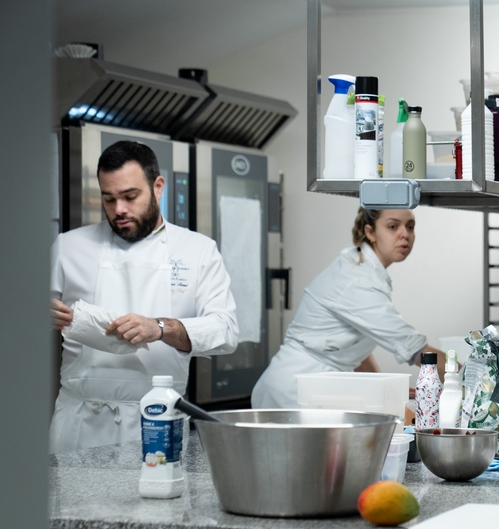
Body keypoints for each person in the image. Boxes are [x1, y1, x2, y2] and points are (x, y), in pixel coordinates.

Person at [50, 140, 239, 453]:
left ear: (158, 187)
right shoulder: (68, 247)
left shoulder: (197, 250)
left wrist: (161, 328)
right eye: (109, 199)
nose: (119, 209)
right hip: (78, 424)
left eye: (130, 196)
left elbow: (226, 331)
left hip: (156, 422)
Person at [252, 207, 445, 409]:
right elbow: (414, 349)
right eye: (392, 226)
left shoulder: (364, 268)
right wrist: (468, 376)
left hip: (314, 386)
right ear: (370, 232)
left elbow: (357, 348)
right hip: (293, 390)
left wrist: (383, 389)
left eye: (410, 227)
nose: (404, 234)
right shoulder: (357, 279)